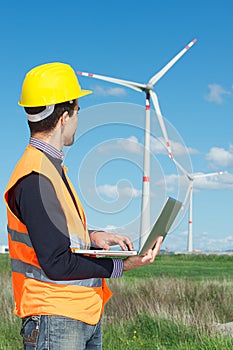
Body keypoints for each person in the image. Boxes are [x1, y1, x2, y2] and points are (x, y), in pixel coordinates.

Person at [4, 62, 163, 350]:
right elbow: (56, 262)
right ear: (65, 115)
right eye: (78, 112)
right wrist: (122, 265)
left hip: (79, 314)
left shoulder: (51, 171)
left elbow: (52, 233)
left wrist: (93, 236)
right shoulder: (35, 177)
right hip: (55, 318)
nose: (78, 119)